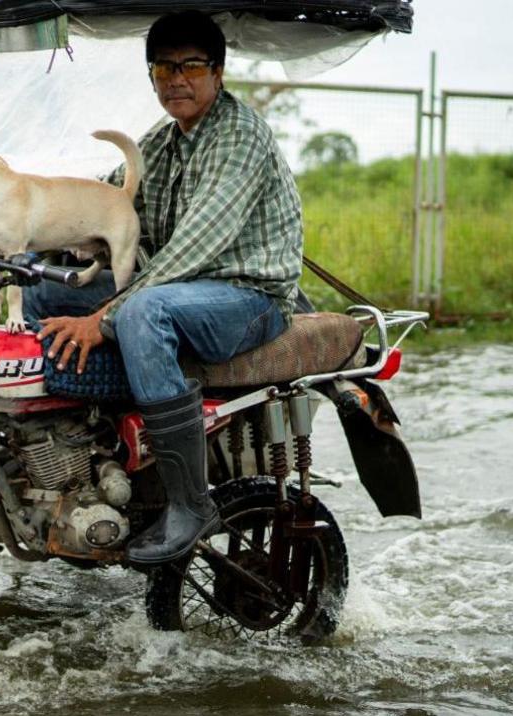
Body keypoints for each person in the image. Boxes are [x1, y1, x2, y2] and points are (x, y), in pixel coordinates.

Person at [27, 10, 307, 566]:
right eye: (162, 68)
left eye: (191, 66)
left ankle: (189, 501)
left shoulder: (239, 137)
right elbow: (103, 206)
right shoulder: (161, 142)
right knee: (43, 293)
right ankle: (90, 455)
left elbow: (191, 252)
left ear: (218, 73)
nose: (175, 79)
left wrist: (103, 317)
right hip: (186, 293)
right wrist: (25, 231)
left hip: (248, 298)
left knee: (141, 313)